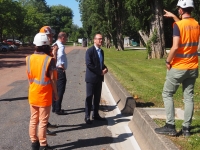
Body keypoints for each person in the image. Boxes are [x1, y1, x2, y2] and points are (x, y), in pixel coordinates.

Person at [155, 0, 200, 137]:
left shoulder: (178, 26)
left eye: (179, 8)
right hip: (193, 67)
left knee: (167, 93)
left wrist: (167, 61)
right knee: (189, 97)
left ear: (181, 10)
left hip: (179, 67)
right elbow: (187, 29)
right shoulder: (197, 24)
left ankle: (170, 126)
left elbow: (175, 47)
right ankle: (186, 129)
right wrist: (174, 16)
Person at [26, 33, 59, 150]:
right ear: (46, 46)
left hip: (33, 93)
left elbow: (29, 77)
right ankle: (43, 145)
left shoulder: (28, 58)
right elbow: (53, 79)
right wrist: (56, 93)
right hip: (44, 95)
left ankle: (34, 143)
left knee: (33, 119)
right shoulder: (49, 60)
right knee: (43, 121)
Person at [84, 33, 108, 124]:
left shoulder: (101, 51)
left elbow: (100, 63)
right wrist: (100, 72)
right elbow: (89, 65)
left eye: (102, 39)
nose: (101, 41)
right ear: (94, 40)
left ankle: (95, 114)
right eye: (99, 39)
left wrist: (105, 68)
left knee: (97, 98)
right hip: (91, 79)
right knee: (89, 97)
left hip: (99, 79)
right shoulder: (90, 51)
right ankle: (87, 116)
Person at [39, 26, 59, 136]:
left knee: (45, 110)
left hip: (45, 84)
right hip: (45, 85)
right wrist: (54, 52)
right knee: (43, 111)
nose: (51, 37)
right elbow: (52, 65)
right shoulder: (44, 50)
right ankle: (43, 130)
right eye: (49, 36)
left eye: (51, 35)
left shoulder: (45, 48)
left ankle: (45, 124)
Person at [52, 32, 68, 115]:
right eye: (66, 38)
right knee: (60, 89)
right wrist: (61, 64)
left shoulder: (54, 44)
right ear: (62, 38)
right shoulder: (61, 46)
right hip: (59, 69)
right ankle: (58, 108)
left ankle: (54, 107)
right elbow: (61, 55)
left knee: (55, 88)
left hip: (54, 69)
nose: (67, 40)